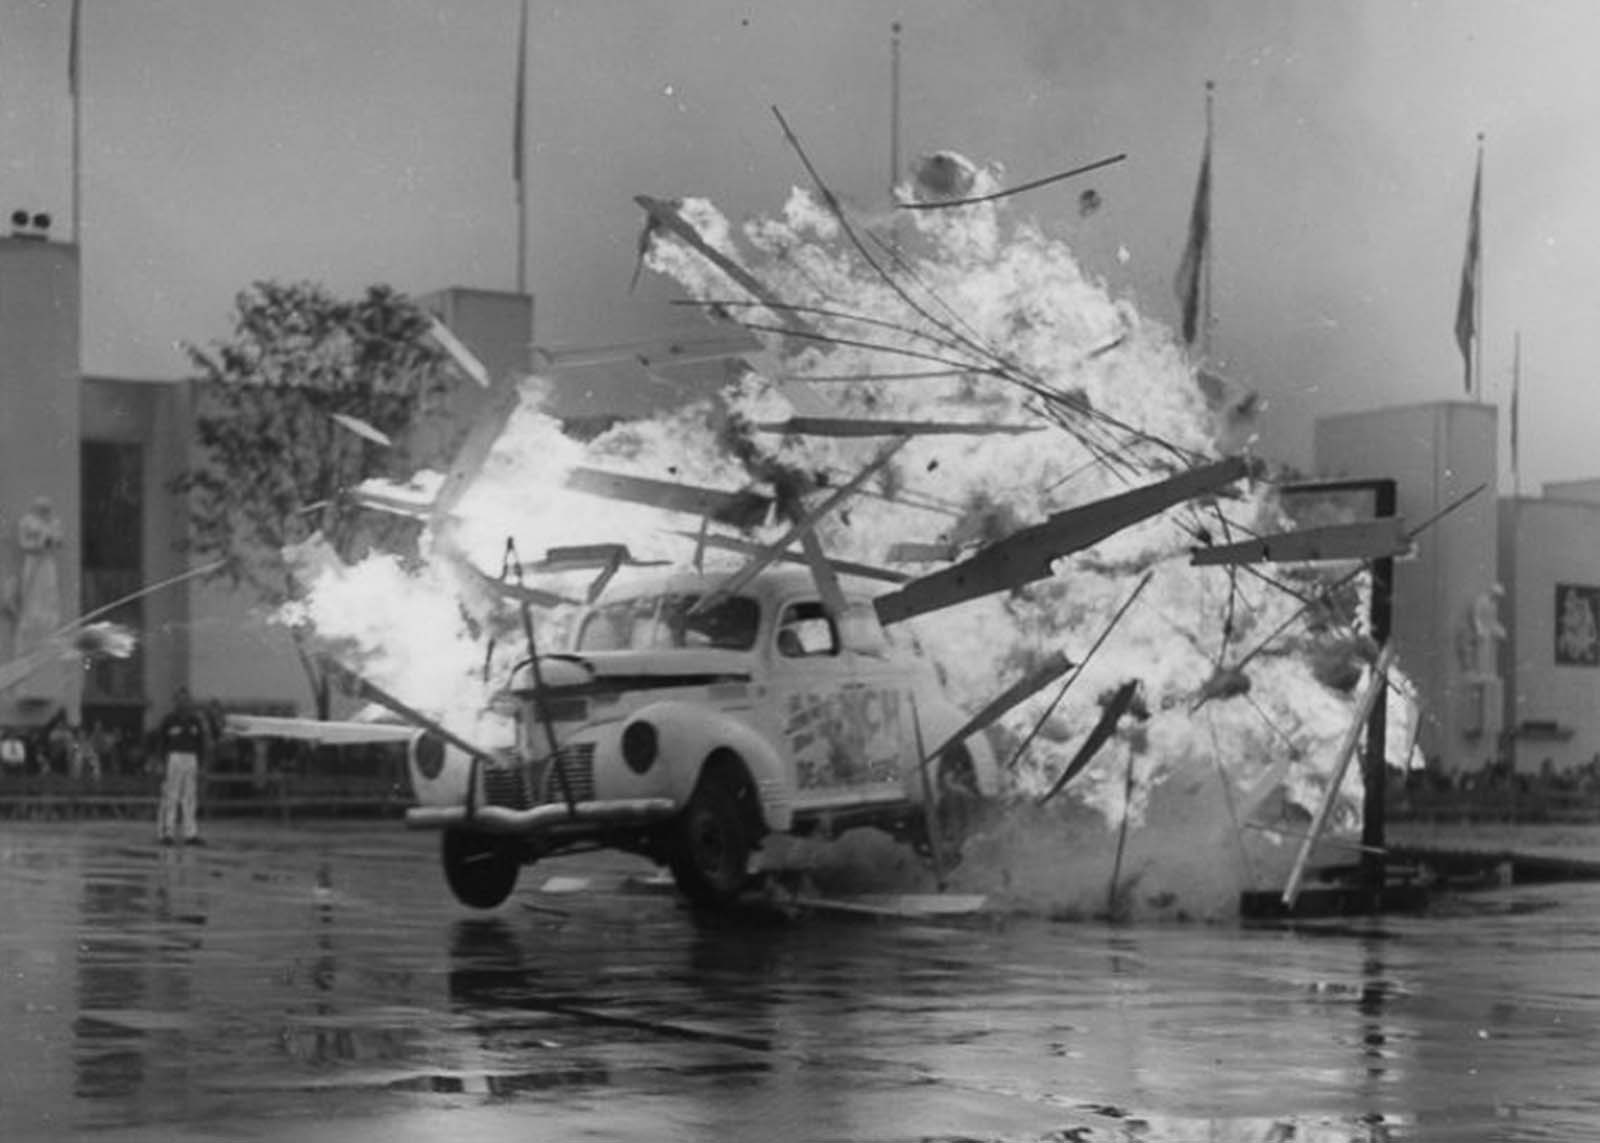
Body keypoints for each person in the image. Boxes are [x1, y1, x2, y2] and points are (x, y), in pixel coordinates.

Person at [156, 687, 209, 845]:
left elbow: (201, 744)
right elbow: (161, 743)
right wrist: (160, 762)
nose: (184, 702)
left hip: (191, 757)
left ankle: (190, 833)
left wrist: (203, 764)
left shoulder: (195, 721)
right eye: (180, 699)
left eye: (186, 699)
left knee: (190, 796)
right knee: (171, 795)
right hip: (174, 757)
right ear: (175, 701)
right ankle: (167, 832)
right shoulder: (169, 720)